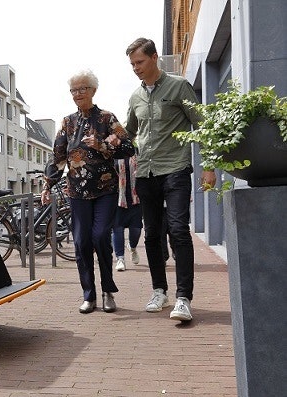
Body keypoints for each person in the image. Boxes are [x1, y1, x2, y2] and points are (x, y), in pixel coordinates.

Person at [124, 38, 216, 322]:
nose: (135, 69)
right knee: (151, 235)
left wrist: (209, 165)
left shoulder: (179, 86)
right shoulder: (135, 98)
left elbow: (203, 125)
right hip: (146, 174)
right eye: (132, 65)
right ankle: (159, 291)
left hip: (175, 169)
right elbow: (128, 135)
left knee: (177, 230)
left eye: (139, 62)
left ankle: (184, 298)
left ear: (154, 58)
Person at [42, 69, 135, 314]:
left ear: (93, 90)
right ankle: (89, 294)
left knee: (101, 236)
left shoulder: (107, 119)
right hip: (77, 192)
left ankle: (107, 291)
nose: (77, 94)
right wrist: (47, 186)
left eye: (82, 89)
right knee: (82, 241)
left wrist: (102, 145)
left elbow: (128, 148)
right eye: (73, 90)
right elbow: (58, 158)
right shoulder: (68, 122)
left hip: (105, 190)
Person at [112, 155, 142, 271]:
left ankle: (132, 247)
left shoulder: (136, 152)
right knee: (117, 229)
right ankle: (120, 258)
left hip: (135, 198)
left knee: (136, 230)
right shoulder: (113, 153)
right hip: (118, 198)